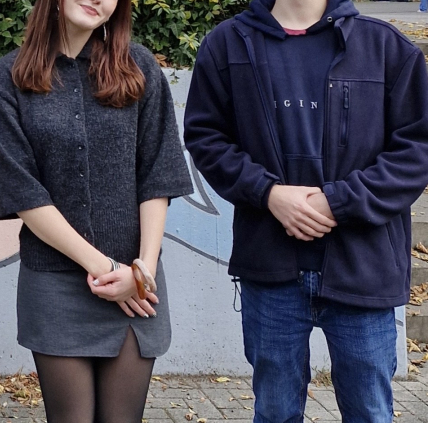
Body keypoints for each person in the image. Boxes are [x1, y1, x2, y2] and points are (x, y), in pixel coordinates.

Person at [183, 0, 428, 420]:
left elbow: (416, 150)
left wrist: (340, 201)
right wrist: (268, 193)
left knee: (370, 413)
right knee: (275, 412)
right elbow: (206, 137)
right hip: (271, 267)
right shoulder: (228, 44)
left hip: (362, 268)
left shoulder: (385, 47)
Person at [0, 0, 193, 420]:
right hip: (55, 284)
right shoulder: (9, 77)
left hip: (136, 284)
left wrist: (141, 272)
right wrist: (104, 268)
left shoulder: (140, 67)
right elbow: (22, 190)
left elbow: (158, 173)